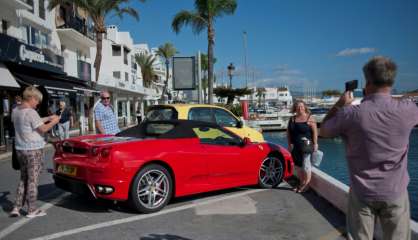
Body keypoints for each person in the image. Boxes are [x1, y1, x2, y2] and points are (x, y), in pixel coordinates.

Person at [320, 56, 418, 240]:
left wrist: (340, 104)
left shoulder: (350, 114)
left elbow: (324, 130)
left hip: (362, 193)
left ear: (367, 82)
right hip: (395, 192)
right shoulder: (408, 110)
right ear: (392, 80)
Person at [9, 86, 60, 218]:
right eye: (37, 99)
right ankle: (32, 209)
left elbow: (31, 122)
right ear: (31, 97)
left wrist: (48, 117)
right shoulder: (31, 112)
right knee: (33, 180)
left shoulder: (15, 110)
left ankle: (16, 207)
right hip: (33, 150)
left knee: (23, 178)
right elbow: (42, 129)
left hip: (20, 149)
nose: (38, 103)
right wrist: (54, 121)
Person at [287, 100, 318, 193]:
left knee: (306, 166)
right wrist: (289, 144)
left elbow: (315, 132)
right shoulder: (292, 119)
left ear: (305, 107)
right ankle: (301, 183)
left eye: (301, 106)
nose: (300, 108)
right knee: (298, 166)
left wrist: (316, 143)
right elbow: (288, 133)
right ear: (295, 108)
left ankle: (306, 185)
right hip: (295, 146)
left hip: (306, 145)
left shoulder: (310, 118)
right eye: (298, 106)